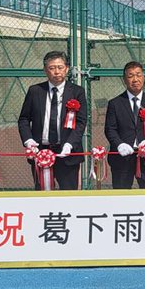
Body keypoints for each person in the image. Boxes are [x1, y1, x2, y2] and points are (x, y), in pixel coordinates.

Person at [18, 51, 87, 190]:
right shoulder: (35, 91)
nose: (56, 72)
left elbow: (81, 122)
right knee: (43, 194)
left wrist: (70, 144)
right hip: (41, 152)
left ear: (66, 68)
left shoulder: (77, 91)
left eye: (60, 67)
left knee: (69, 194)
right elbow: (24, 119)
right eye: (52, 68)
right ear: (45, 70)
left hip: (67, 152)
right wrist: (29, 141)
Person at [104, 61, 145, 189]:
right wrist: (119, 144)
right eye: (131, 76)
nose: (135, 79)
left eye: (138, 75)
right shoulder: (115, 103)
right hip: (122, 157)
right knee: (121, 195)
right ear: (124, 79)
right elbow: (110, 129)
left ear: (143, 77)